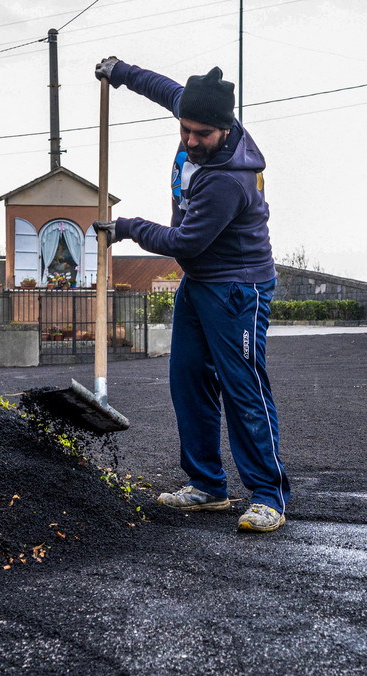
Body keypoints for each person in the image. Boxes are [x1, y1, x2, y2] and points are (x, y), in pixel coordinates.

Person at [93, 58, 288, 533]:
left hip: (238, 288)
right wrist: (119, 72)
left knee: (243, 387)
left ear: (224, 130)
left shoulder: (229, 180)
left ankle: (268, 495)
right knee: (187, 380)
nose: (191, 140)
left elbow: (182, 244)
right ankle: (207, 487)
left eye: (202, 134)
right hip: (199, 283)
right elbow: (161, 87)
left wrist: (126, 228)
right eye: (186, 131)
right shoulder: (193, 110)